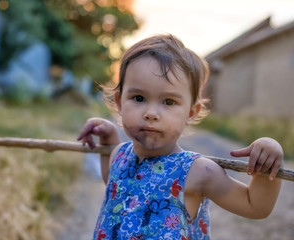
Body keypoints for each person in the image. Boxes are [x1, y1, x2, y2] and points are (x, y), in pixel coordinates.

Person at [77, 34, 283, 240]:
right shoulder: (119, 156)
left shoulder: (197, 171)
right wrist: (108, 138)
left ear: (191, 113)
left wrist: (269, 153)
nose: (151, 113)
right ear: (120, 102)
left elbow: (254, 206)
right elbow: (113, 182)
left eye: (168, 102)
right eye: (138, 98)